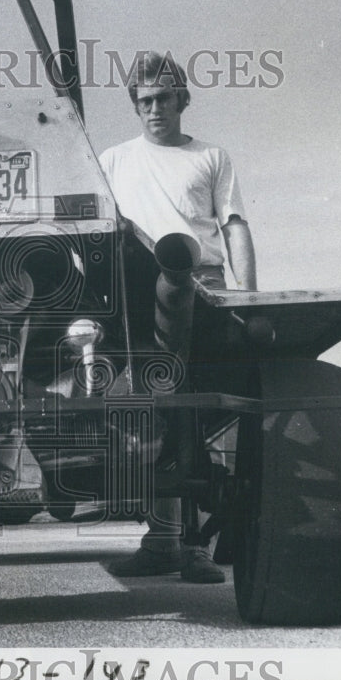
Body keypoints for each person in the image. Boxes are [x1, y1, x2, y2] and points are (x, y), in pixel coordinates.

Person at [98, 51, 256, 583]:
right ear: (134, 107)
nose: (154, 109)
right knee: (156, 414)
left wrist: (246, 296)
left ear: (183, 99)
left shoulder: (211, 156)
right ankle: (163, 539)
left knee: (202, 414)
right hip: (136, 297)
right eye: (144, 101)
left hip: (203, 288)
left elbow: (233, 224)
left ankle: (198, 548)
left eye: (165, 98)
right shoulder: (113, 160)